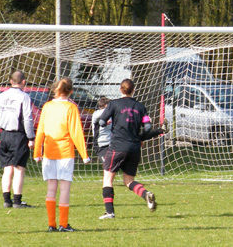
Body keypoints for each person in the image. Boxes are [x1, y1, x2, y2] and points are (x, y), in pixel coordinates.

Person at [96, 78, 162, 219]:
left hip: (117, 147)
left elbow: (101, 122)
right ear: (133, 90)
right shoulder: (140, 106)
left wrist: (107, 121)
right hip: (134, 148)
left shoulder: (113, 104)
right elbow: (148, 127)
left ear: (120, 89)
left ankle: (110, 212)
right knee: (129, 181)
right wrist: (139, 137)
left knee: (108, 179)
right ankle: (146, 195)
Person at [33, 77, 91, 232]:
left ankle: (51, 224)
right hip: (65, 153)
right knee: (64, 188)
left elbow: (40, 131)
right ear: (71, 92)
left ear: (55, 90)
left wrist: (37, 152)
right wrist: (84, 154)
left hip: (49, 152)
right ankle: (63, 224)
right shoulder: (70, 107)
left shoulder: (47, 106)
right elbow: (76, 132)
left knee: (51, 188)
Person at [0, 71, 35, 208]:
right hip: (18, 136)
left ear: (11, 81)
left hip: (4, 135)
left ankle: (6, 200)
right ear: (23, 82)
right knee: (19, 169)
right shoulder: (24, 97)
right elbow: (27, 118)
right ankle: (17, 201)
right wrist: (31, 137)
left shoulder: (1, 96)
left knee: (7, 169)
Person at [91, 97, 112, 163]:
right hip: (101, 145)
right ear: (106, 106)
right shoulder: (97, 114)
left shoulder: (111, 115)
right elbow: (101, 114)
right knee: (107, 165)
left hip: (111, 143)